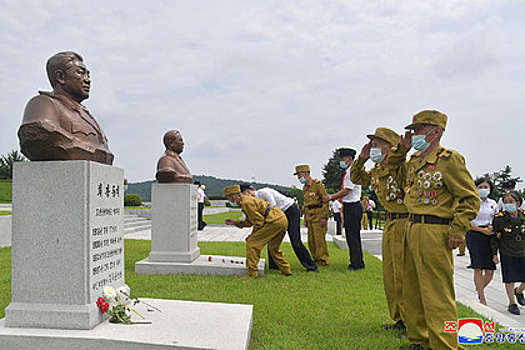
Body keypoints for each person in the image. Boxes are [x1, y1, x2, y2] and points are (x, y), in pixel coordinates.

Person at [388, 110, 480, 350]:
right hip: (411, 227)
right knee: (412, 288)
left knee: (437, 292)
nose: (413, 134)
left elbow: (470, 198)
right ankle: (420, 339)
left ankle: (444, 344)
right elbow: (393, 172)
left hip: (434, 230)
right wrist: (402, 150)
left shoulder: (449, 160)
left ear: (436, 131)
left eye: (418, 130)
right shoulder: (415, 161)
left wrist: (458, 230)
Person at [350, 127, 407, 332]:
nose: (372, 147)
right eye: (371, 144)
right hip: (391, 223)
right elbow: (356, 177)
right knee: (391, 273)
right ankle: (399, 318)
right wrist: (362, 158)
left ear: (390, 148)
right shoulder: (376, 171)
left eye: (376, 144)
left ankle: (412, 322)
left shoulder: (401, 167)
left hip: (405, 223)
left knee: (404, 274)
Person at [18, 51, 113, 165]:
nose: (87, 80)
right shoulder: (44, 104)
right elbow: (40, 134)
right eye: (80, 73)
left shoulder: (84, 113)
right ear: (61, 77)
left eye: (88, 75)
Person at [240, 184, 319, 272]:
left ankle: (312, 267)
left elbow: (273, 211)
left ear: (248, 192)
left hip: (290, 212)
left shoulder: (264, 193)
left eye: (242, 196)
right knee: (271, 241)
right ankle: (274, 266)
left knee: (295, 241)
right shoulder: (253, 201)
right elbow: (258, 219)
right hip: (278, 216)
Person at [223, 185, 291, 278]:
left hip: (273, 221)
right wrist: (235, 222)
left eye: (229, 198)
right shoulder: (247, 200)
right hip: (281, 219)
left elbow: (259, 222)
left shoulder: (246, 203)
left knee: (252, 244)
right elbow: (250, 221)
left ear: (234, 196)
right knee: (273, 248)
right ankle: (286, 270)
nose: (230, 201)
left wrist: (252, 235)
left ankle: (252, 273)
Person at [322, 148, 364, 270]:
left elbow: (347, 190)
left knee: (353, 236)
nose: (341, 161)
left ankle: (356, 263)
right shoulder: (349, 171)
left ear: (350, 159)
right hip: (350, 206)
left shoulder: (351, 172)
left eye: (343, 158)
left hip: (353, 206)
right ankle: (357, 261)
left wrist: (331, 197)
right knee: (352, 236)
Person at [491, 190, 525, 315]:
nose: (508, 204)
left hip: (523, 250)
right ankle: (512, 303)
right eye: (505, 202)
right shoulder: (499, 219)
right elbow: (495, 238)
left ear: (517, 203)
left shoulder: (524, 216)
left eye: (511, 202)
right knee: (509, 279)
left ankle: (519, 291)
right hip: (507, 251)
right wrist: (494, 254)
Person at [467, 177, 498, 305]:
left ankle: (479, 289)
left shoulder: (493, 203)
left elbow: (496, 218)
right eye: (481, 187)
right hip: (475, 234)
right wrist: (481, 230)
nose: (483, 190)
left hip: (489, 236)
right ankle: (482, 298)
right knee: (478, 267)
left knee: (490, 270)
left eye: (486, 187)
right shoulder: (471, 202)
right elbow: (467, 222)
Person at [294, 164, 330, 266]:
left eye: (299, 175)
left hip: (318, 215)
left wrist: (324, 216)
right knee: (311, 240)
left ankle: (323, 261)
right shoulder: (305, 187)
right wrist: (305, 217)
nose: (298, 178)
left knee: (319, 240)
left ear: (306, 174)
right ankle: (315, 258)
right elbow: (306, 205)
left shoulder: (317, 185)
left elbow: (325, 201)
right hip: (310, 216)